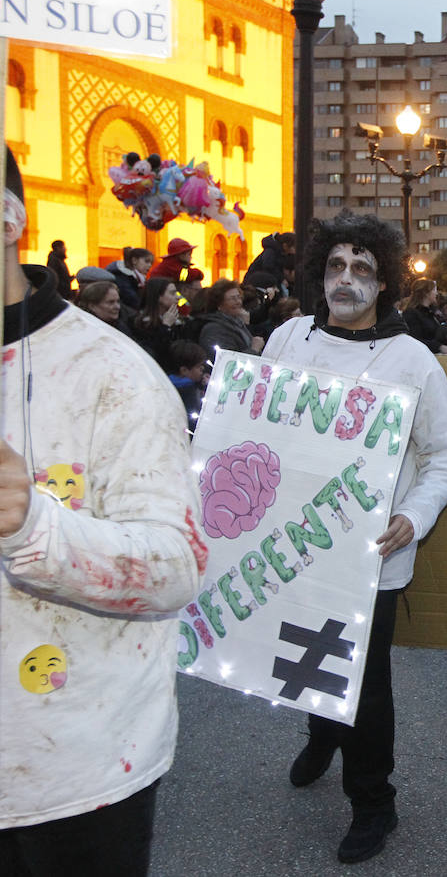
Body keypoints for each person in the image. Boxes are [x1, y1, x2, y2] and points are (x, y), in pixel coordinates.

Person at [1, 149, 205, 875]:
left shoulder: (111, 374)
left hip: (73, 784)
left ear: (10, 218)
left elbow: (175, 563)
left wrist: (32, 527)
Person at [269, 212, 447, 864]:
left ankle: (374, 802)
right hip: (294, 544)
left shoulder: (411, 360)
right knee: (304, 653)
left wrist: (416, 513)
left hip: (372, 556)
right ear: (318, 272)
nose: (346, 278)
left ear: (383, 284)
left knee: (364, 682)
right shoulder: (289, 338)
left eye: (362, 268)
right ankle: (321, 732)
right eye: (335, 265)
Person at [130, 276, 187, 370]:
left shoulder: (181, 322)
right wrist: (165, 327)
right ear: (158, 297)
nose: (178, 297)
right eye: (172, 293)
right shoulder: (140, 323)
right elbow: (155, 351)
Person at [198, 279, 262, 356]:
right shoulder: (214, 329)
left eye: (239, 297)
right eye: (232, 299)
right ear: (219, 304)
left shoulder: (238, 323)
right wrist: (254, 349)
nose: (238, 302)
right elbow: (227, 361)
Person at [166, 339, 209, 431]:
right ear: (184, 370)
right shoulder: (188, 393)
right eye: (198, 366)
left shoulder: (168, 383)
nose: (202, 369)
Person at [399, 279, 443, 352]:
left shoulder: (431, 313)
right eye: (434, 290)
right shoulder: (411, 314)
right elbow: (414, 339)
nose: (436, 293)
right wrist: (438, 346)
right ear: (426, 293)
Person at [108, 246, 153, 311]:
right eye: (146, 261)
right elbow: (133, 300)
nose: (150, 265)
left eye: (151, 263)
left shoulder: (138, 278)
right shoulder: (122, 277)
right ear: (134, 260)